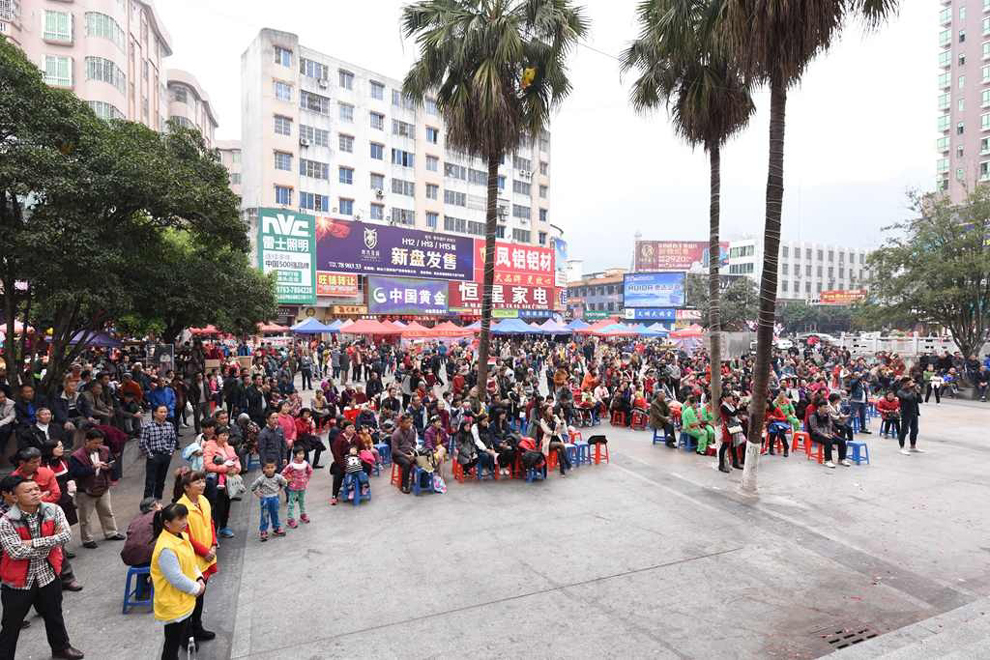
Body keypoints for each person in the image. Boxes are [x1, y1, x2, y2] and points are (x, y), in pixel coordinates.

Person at [0, 476, 84, 659]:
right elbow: (16, 552)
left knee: (54, 614)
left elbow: (65, 536)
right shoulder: (6, 521)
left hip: (48, 574)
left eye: (36, 489)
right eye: (28, 491)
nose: (35, 493)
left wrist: (32, 543)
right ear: (14, 497)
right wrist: (49, 544)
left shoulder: (53, 510)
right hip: (19, 581)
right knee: (11, 625)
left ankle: (61, 649)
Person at [150, 503, 206, 660]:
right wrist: (197, 588)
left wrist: (198, 577)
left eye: (185, 517)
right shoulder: (165, 549)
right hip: (173, 604)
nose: (185, 522)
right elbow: (176, 578)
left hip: (184, 600)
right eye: (180, 519)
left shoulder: (182, 536)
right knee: (171, 646)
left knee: (179, 636)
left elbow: (190, 561)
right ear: (167, 523)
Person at [172, 469, 216, 643]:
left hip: (207, 556)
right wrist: (205, 552)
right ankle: (186, 635)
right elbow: (186, 536)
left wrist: (213, 544)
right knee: (190, 599)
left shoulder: (203, 500)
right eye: (198, 482)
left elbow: (210, 522)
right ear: (186, 487)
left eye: (203, 481)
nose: (203, 485)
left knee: (201, 596)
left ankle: (197, 628)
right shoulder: (181, 508)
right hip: (193, 560)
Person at [68, 429, 125, 549]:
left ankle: (111, 532)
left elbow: (113, 463)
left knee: (107, 512)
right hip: (85, 491)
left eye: (100, 442)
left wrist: (109, 466)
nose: (98, 445)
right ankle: (87, 539)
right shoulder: (76, 456)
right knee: (85, 518)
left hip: (103, 487)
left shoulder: (105, 450)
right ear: (87, 441)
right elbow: (75, 473)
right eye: (95, 443)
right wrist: (92, 468)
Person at [39, 441, 82, 591]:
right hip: (50, 502)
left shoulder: (64, 461)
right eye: (58, 446)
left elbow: (70, 476)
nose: (61, 448)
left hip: (65, 497)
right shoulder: (42, 466)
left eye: (62, 446)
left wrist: (71, 491)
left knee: (65, 524)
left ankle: (62, 547)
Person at [203, 426, 240, 539]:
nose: (225, 437)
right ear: (216, 436)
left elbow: (236, 460)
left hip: (228, 481)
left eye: (227, 435)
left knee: (226, 505)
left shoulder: (229, 448)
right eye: (223, 435)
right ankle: (213, 534)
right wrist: (225, 469)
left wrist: (236, 469)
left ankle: (224, 527)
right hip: (215, 482)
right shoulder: (209, 447)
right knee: (216, 507)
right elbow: (208, 465)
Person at [120, 498, 161, 599]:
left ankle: (142, 586)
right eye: (158, 504)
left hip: (129, 557)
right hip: (148, 557)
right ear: (154, 506)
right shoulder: (157, 515)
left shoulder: (136, 519)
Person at [140, 405, 178, 501]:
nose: (163, 414)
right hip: (154, 456)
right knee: (150, 481)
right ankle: (147, 502)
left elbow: (173, 440)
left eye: (165, 412)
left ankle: (158, 500)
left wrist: (170, 453)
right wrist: (150, 455)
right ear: (155, 413)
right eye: (161, 412)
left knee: (161, 480)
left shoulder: (169, 425)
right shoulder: (147, 426)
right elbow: (143, 443)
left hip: (166, 456)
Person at [807, 397, 851, 469]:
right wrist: (824, 434)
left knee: (842, 441)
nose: (826, 409)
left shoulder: (827, 414)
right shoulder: (813, 415)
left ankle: (841, 459)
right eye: (825, 407)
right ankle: (828, 460)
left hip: (826, 433)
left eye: (827, 407)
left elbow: (829, 425)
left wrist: (830, 433)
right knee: (828, 441)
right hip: (815, 434)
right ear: (819, 407)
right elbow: (814, 428)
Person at [250, 461, 287, 541]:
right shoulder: (261, 479)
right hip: (265, 500)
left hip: (275, 498)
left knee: (275, 514)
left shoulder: (278, 477)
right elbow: (253, 487)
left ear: (275, 468)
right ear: (264, 469)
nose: (270, 469)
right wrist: (258, 494)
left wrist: (280, 490)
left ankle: (276, 528)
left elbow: (285, 483)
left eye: (272, 467)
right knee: (264, 515)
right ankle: (263, 531)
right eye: (267, 468)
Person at [281, 446, 312, 528]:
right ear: (295, 455)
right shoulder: (291, 465)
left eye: (302, 453)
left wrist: (306, 479)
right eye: (299, 454)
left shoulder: (305, 464)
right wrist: (288, 479)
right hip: (293, 488)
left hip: (302, 487)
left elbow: (310, 471)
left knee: (302, 502)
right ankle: (290, 519)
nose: (301, 455)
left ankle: (303, 515)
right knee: (291, 503)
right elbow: (283, 473)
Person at [391, 415, 418, 494]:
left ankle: (421, 482)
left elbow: (414, 443)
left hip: (409, 452)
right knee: (407, 463)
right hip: (397, 455)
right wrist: (406, 456)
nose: (409, 424)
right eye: (407, 422)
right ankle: (404, 485)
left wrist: (413, 453)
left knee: (421, 459)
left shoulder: (412, 431)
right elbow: (395, 450)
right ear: (401, 423)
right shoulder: (396, 434)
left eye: (410, 422)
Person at [896, 377, 923, 455]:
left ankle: (913, 446)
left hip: (915, 413)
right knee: (904, 430)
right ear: (905, 384)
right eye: (909, 383)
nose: (912, 384)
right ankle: (901, 447)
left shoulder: (912, 391)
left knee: (915, 430)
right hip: (906, 413)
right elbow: (908, 398)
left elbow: (920, 401)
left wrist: (918, 392)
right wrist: (913, 390)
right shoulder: (900, 392)